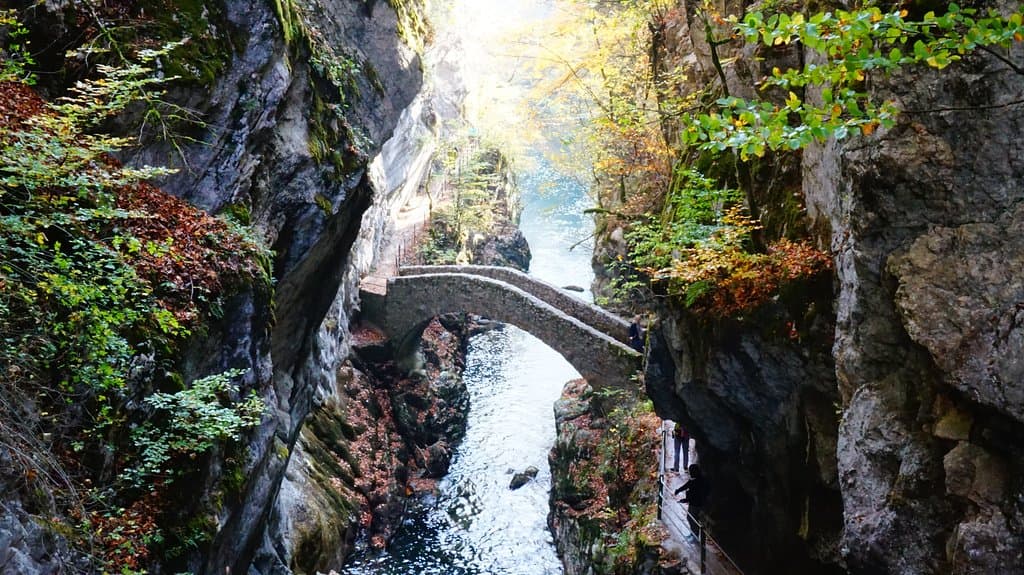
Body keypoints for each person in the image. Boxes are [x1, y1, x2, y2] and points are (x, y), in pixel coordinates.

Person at [674, 464, 708, 538]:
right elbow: (687, 485)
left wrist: (686, 500)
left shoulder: (698, 482)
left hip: (696, 504)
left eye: (690, 471)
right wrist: (678, 490)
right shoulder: (696, 479)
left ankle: (695, 536)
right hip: (694, 503)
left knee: (693, 519)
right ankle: (693, 534)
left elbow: (695, 494)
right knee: (691, 518)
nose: (690, 473)